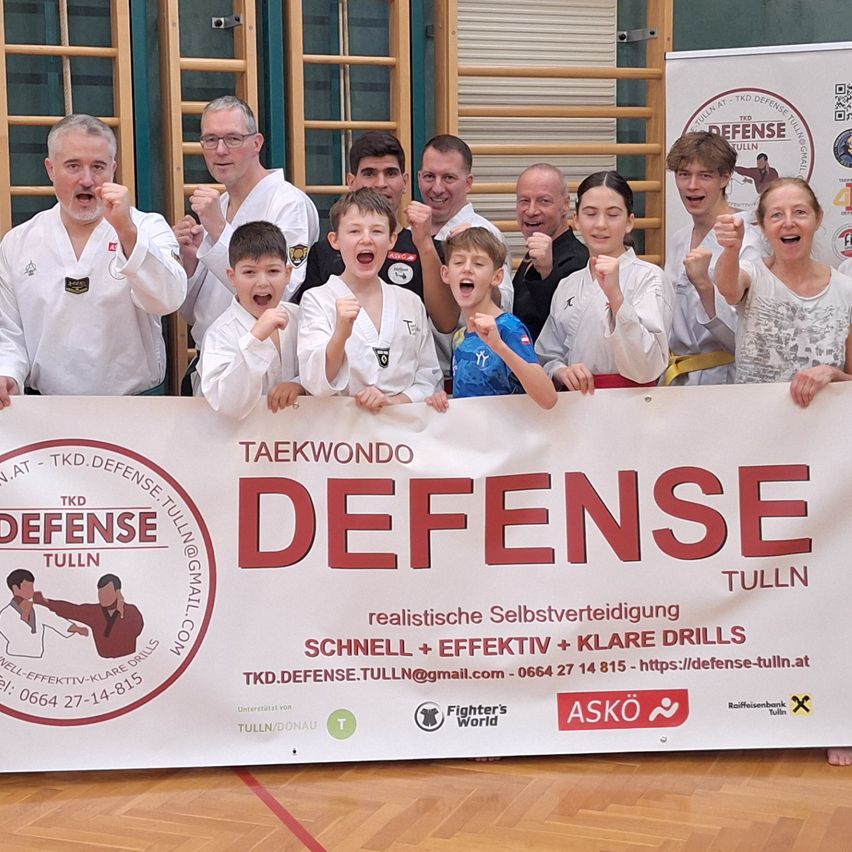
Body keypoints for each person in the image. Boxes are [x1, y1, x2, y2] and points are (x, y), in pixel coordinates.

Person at [0, 114, 187, 405]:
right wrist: (7, 373)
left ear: (113, 169)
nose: (87, 180)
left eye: (98, 167)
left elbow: (168, 300)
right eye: (73, 166)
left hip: (134, 407)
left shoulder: (148, 227)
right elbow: (9, 330)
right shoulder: (19, 242)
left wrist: (127, 232)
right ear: (50, 169)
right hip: (43, 409)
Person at [174, 95, 319, 350]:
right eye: (210, 140)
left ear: (256, 143)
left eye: (233, 139)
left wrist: (219, 231)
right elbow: (194, 313)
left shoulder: (288, 203)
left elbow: (281, 293)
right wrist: (190, 262)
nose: (220, 150)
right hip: (210, 356)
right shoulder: (219, 205)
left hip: (264, 361)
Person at [294, 132, 457, 334]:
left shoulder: (426, 247)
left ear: (405, 181)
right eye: (369, 173)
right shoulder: (323, 252)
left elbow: (446, 323)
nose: (381, 183)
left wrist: (424, 243)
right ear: (351, 181)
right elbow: (308, 328)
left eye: (390, 173)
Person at [298, 188, 442, 410]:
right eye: (354, 231)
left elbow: (429, 376)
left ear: (392, 239)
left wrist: (393, 401)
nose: (366, 239)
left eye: (377, 231)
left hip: (402, 432)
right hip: (341, 435)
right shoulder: (317, 299)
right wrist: (340, 334)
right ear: (334, 240)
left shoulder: (410, 301)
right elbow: (315, 383)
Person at [714, 177, 852, 408]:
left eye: (800, 212)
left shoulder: (845, 290)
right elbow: (728, 288)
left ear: (818, 218)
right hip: (754, 424)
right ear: (762, 225)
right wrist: (731, 248)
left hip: (825, 431)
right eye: (776, 215)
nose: (788, 223)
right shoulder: (753, 274)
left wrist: (832, 374)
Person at [536, 171, 673, 391]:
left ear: (629, 222)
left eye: (613, 214)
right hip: (576, 402)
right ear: (576, 220)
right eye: (590, 214)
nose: (600, 224)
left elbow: (648, 366)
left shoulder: (649, 278)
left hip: (633, 401)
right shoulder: (568, 284)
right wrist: (561, 371)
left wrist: (616, 297)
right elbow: (547, 355)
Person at [663, 132, 764, 385]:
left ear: (725, 178)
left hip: (725, 380)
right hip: (677, 378)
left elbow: (748, 337)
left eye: (705, 175)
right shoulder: (678, 239)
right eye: (684, 174)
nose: (692, 185)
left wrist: (706, 288)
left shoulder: (749, 239)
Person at [425, 228, 556, 411]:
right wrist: (443, 398)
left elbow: (548, 397)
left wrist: (499, 347)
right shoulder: (460, 337)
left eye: (478, 264)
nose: (467, 269)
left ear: (497, 277)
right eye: (459, 262)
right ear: (445, 274)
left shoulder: (508, 328)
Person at [200, 221, 302, 419]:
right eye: (249, 272)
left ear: (288, 273)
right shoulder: (220, 333)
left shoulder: (300, 317)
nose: (262, 282)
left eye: (273, 271)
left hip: (298, 440)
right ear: (232, 276)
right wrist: (255, 338)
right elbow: (228, 406)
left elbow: (324, 371)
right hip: (239, 443)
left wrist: (299, 385)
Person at [417, 134, 513, 311]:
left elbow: (503, 304)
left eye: (449, 178)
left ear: (468, 183)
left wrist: (475, 255)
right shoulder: (411, 233)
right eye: (429, 176)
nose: (437, 188)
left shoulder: (487, 233)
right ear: (419, 178)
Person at [512, 164, 588, 341]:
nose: (531, 211)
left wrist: (547, 273)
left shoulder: (579, 261)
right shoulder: (532, 253)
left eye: (543, 201)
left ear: (565, 205)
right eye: (524, 201)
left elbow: (568, 330)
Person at [33, 574, 144, 659]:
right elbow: (72, 610)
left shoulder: (131, 611)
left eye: (107, 593)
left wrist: (122, 615)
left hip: (129, 658)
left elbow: (137, 629)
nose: (102, 597)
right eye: (100, 593)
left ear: (117, 592)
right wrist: (46, 602)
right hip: (102, 661)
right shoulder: (94, 611)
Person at [0, 569, 87, 658]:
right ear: (15, 588)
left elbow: (56, 621)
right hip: (15, 655)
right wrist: (25, 614)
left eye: (32, 587)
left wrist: (77, 629)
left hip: (37, 656)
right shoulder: (6, 614)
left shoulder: (37, 609)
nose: (32, 590)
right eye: (28, 587)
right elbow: (14, 635)